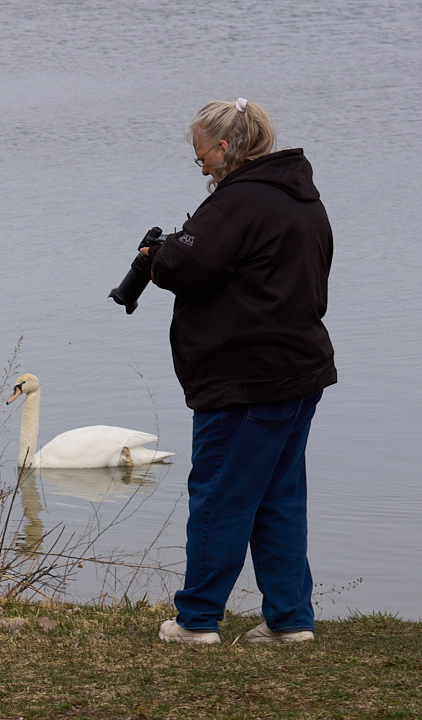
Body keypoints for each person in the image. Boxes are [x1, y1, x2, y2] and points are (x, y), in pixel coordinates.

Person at [143, 98, 336, 644]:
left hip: (246, 381)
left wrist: (158, 255)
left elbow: (188, 266)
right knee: (278, 497)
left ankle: (197, 620)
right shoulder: (301, 198)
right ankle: (290, 619)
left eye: (200, 152)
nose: (199, 163)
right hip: (298, 372)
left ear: (225, 147)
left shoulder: (237, 203)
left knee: (220, 495)